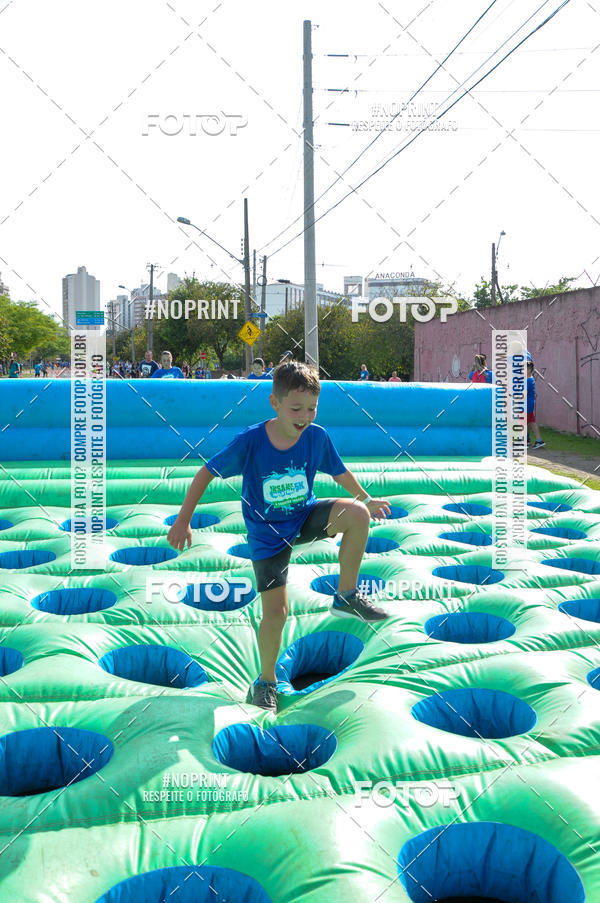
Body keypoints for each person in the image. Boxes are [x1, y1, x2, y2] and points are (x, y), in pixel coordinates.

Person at [167, 359, 391, 713]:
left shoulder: (316, 437)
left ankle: (346, 595)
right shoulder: (252, 442)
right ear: (275, 403)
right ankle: (266, 681)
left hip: (304, 517)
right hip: (267, 536)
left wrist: (366, 498)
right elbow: (204, 474)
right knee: (277, 612)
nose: (305, 416)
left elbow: (340, 472)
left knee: (358, 515)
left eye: (312, 408)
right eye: (296, 408)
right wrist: (183, 521)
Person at [527, 360, 545, 449]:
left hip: (527, 405)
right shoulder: (531, 379)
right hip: (530, 404)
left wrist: (516, 399)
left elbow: (524, 393)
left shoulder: (528, 380)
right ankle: (538, 440)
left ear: (529, 370)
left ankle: (524, 442)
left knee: (525, 423)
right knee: (531, 423)